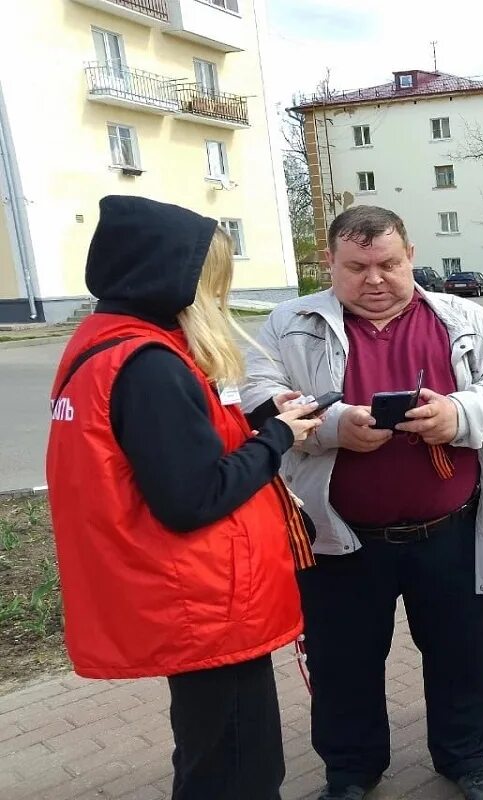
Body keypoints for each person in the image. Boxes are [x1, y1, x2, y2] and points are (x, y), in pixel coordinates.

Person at [241, 205, 483, 800]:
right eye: (357, 267)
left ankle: (466, 758)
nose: (374, 280)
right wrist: (331, 425)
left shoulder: (465, 320)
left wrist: (459, 413)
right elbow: (259, 393)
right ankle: (351, 772)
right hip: (337, 537)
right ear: (329, 263)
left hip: (453, 531)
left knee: (463, 655)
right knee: (341, 664)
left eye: (389, 264)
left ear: (411, 256)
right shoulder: (288, 323)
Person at [45, 195, 322, 799]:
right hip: (205, 601)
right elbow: (193, 496)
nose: (220, 295)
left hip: (188, 599)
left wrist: (252, 420)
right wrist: (278, 438)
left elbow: (175, 450)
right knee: (240, 772)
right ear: (174, 277)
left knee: (210, 756)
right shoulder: (150, 364)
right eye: (213, 278)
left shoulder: (106, 343)